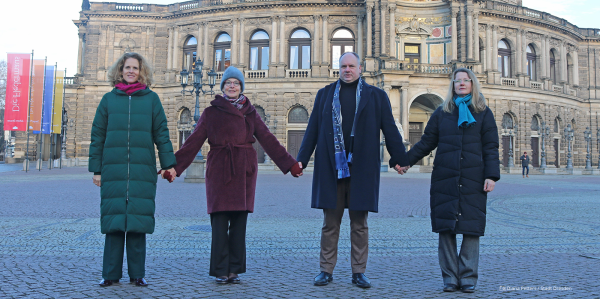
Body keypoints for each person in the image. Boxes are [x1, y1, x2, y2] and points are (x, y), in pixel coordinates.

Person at [166, 66, 302, 284]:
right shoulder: (211, 112)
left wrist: (290, 164)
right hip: (220, 168)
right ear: (222, 87)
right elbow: (193, 141)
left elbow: (268, 139)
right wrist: (174, 167)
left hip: (244, 170)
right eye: (228, 83)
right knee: (219, 222)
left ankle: (235, 268)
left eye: (236, 83)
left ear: (241, 87)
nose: (232, 86)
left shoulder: (250, 112)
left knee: (239, 223)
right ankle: (220, 269)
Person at [295, 52, 410, 289]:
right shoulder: (325, 95)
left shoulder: (376, 96)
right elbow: (312, 130)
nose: (347, 70)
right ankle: (326, 270)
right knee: (330, 223)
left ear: (360, 69)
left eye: (351, 66)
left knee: (360, 224)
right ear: (339, 68)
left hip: (362, 169)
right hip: (331, 168)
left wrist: (399, 158)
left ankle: (359, 272)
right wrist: (301, 160)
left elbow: (390, 129)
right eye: (343, 66)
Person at [405, 68, 500, 293]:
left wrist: (491, 175)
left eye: (466, 81)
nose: (461, 84)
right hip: (445, 177)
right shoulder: (441, 113)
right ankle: (449, 277)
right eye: (457, 81)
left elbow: (491, 147)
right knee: (446, 228)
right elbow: (426, 142)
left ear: (473, 84)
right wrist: (404, 161)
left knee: (471, 228)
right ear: (453, 86)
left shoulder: (484, 113)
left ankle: (468, 277)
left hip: (473, 177)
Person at [89, 52, 177, 287]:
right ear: (120, 71)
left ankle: (137, 274)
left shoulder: (152, 100)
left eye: (135, 68)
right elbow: (97, 136)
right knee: (114, 223)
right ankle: (110, 274)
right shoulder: (108, 100)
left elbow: (162, 135)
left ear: (142, 72)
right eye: (127, 67)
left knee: (137, 223)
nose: (131, 71)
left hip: (142, 170)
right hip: (113, 170)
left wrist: (168, 165)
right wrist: (96, 170)